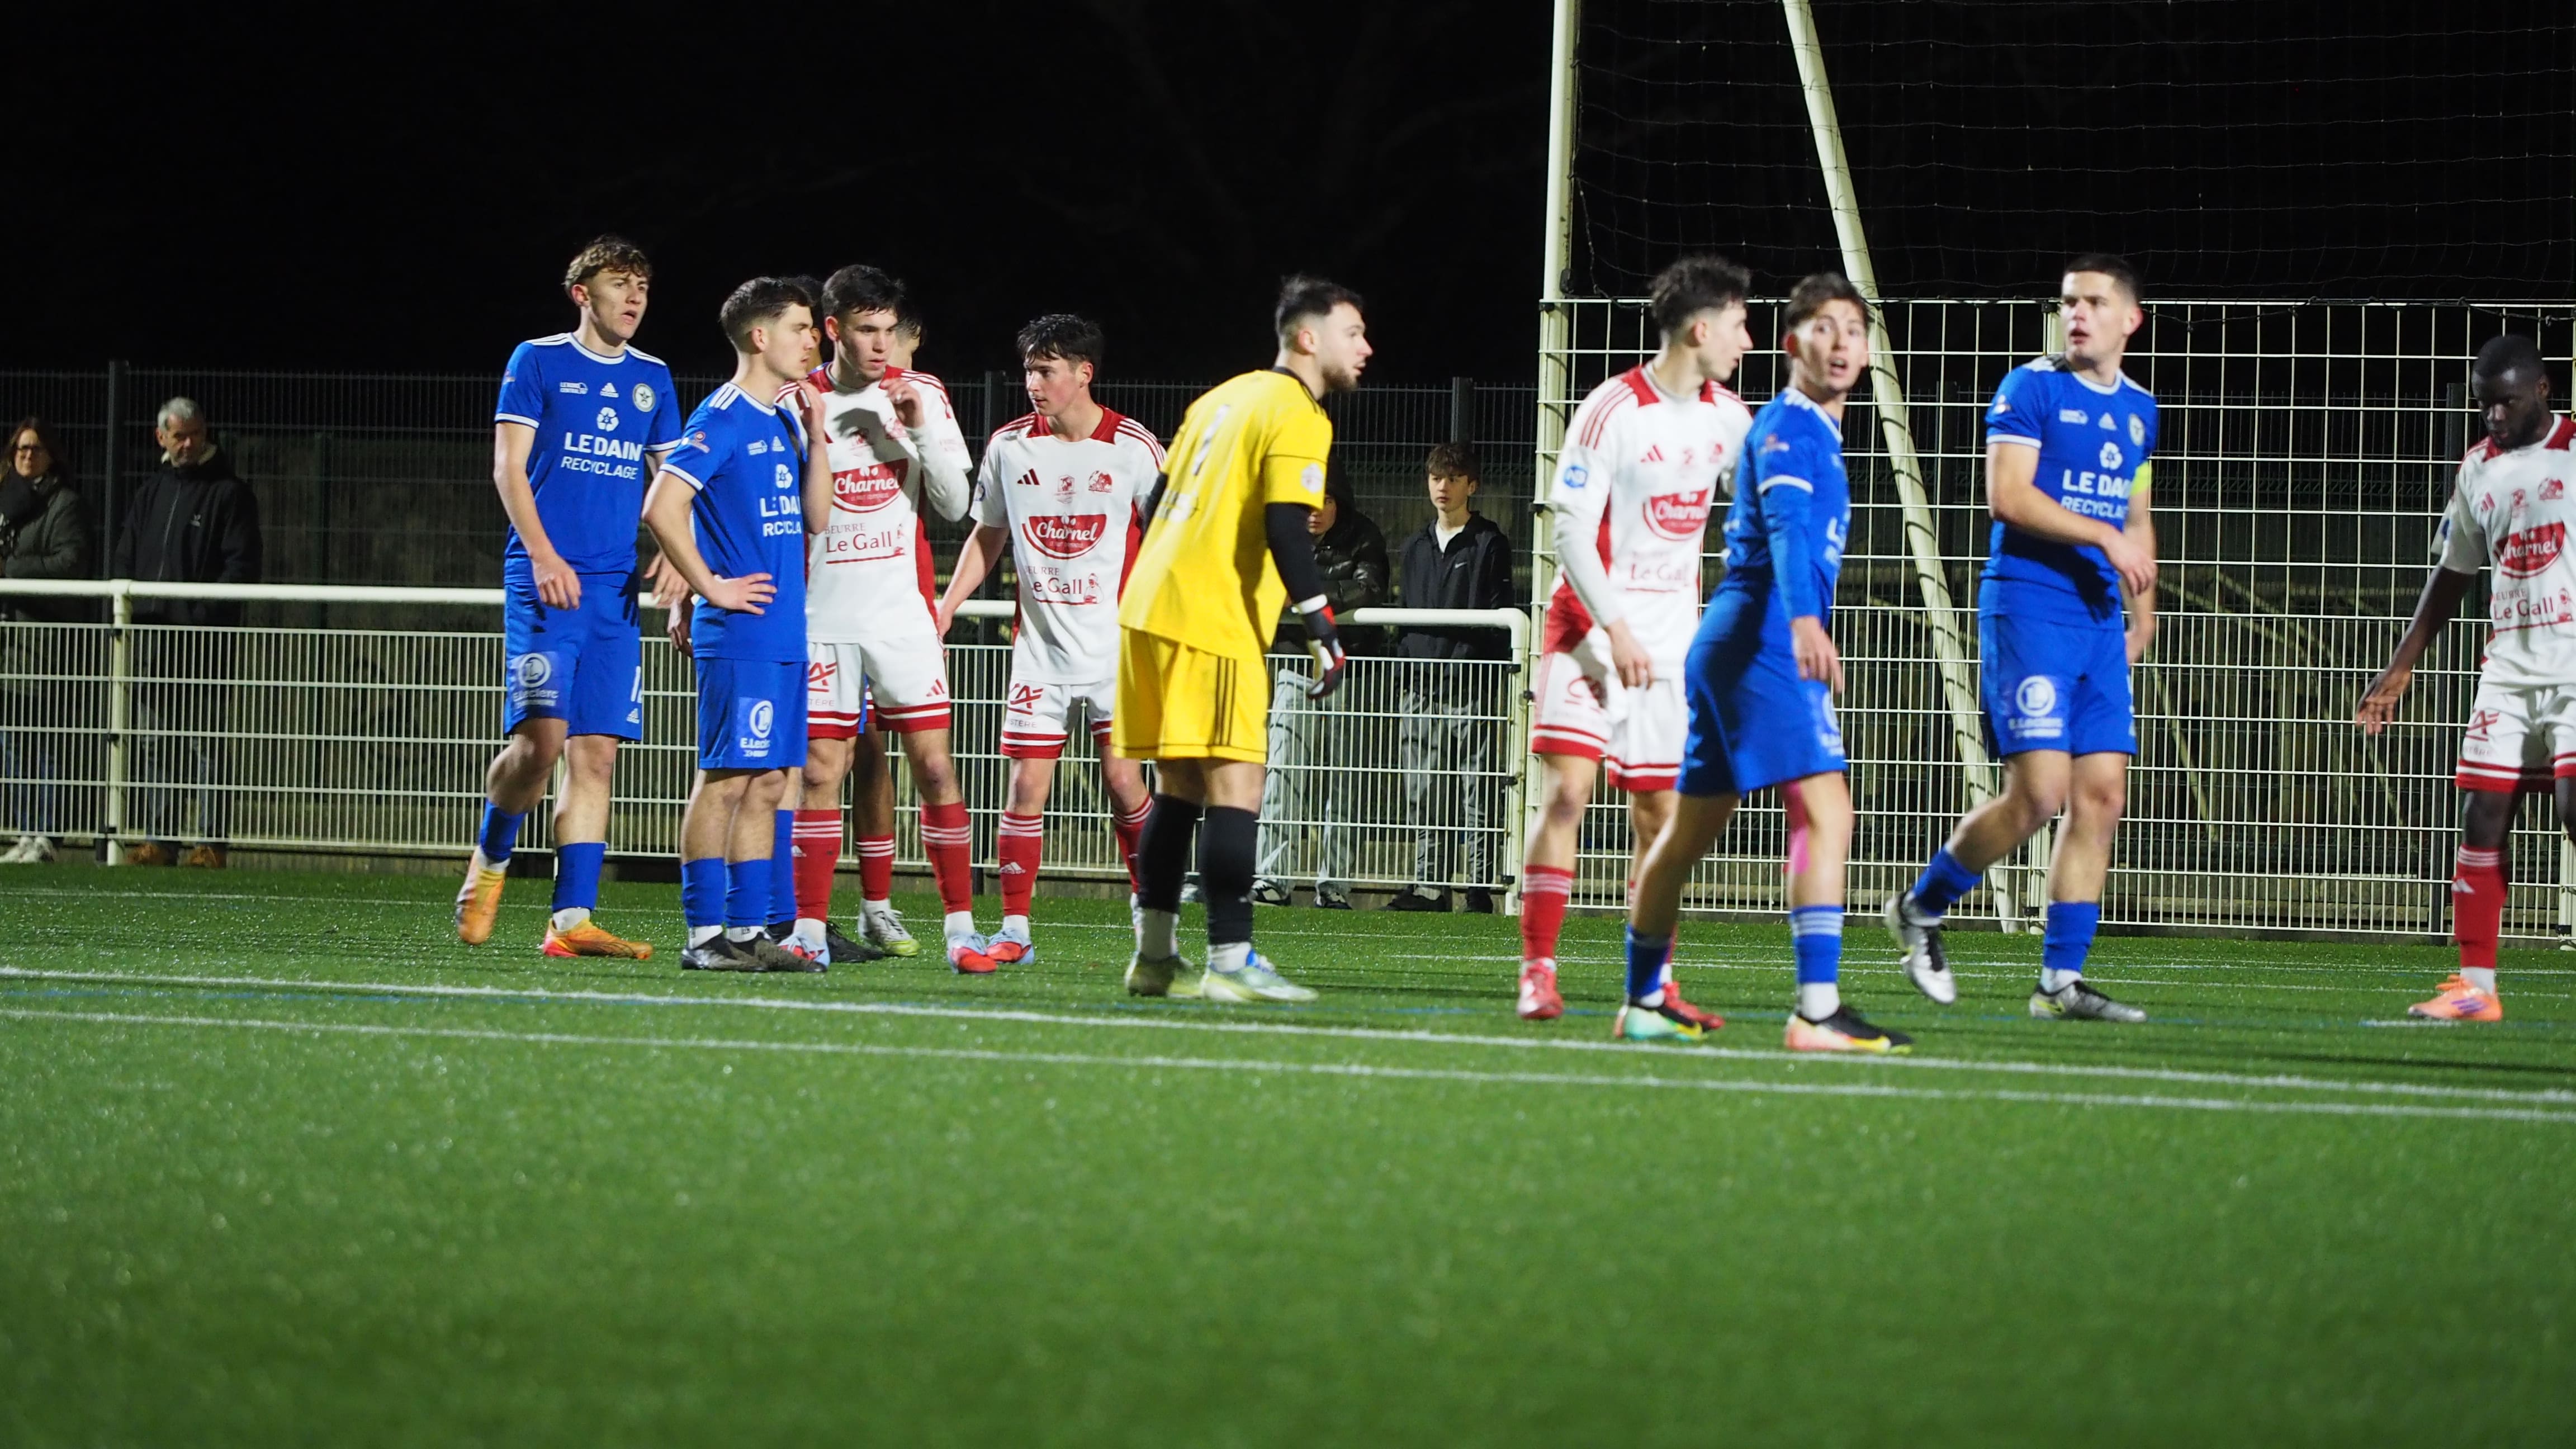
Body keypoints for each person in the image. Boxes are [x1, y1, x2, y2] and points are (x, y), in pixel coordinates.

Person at [1624, 271, 1905, 1050]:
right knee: (1826, 809)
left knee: (1689, 831)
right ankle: (1816, 1011)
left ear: (1869, 351)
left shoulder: (1815, 431)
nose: (1841, 342)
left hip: (1733, 639)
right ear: (1792, 344)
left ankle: (1643, 998)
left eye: (1854, 330)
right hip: (1763, 636)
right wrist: (1807, 623)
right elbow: (1785, 525)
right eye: (1824, 327)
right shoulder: (1789, 426)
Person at [1886, 255, 2159, 1024]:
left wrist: (2144, 612)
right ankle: (1920, 908)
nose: (2077, 314)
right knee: (2039, 795)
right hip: (2031, 607)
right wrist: (2104, 538)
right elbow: (2006, 496)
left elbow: (2136, 514)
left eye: (2094, 302)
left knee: (2102, 796)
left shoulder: (2141, 409)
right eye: (2069, 302)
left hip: (2098, 620)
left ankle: (2059, 983)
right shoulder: (2030, 388)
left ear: (2131, 319)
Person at [1117, 275, 1372, 1004]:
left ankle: (1156, 959)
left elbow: (1157, 502)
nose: (1366, 348)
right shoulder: (1298, 411)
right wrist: (1321, 625)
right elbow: (1286, 524)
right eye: (1353, 333)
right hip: (1210, 613)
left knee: (1180, 788)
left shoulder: (1221, 398)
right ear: (1308, 338)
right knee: (1238, 785)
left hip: (1150, 604)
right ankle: (1231, 960)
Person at [1515, 255, 1753, 1022]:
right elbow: (1569, 534)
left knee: (1660, 819)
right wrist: (1614, 627)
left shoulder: (1731, 419)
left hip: (1670, 648)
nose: (1748, 340)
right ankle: (1538, 971)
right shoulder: (1611, 409)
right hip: (1588, 630)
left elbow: (1761, 512)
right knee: (1568, 795)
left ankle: (1652, 987)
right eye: (1740, 324)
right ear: (1700, 328)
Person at [454, 236, 681, 957]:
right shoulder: (538, 360)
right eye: (620, 283)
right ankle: (490, 859)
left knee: (597, 755)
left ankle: (571, 921)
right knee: (540, 744)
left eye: (643, 285)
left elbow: (673, 482)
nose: (635, 297)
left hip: (614, 592)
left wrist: (680, 559)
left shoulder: (653, 378)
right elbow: (508, 468)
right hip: (545, 580)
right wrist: (544, 554)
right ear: (583, 294)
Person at [2356, 332, 2573, 1023]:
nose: (2494, 417)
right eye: (2484, 406)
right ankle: (2476, 987)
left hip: (2573, 664)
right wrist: (2400, 668)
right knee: (2482, 813)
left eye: (2506, 403)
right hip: (2507, 670)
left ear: (2542, 391)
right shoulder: (2478, 469)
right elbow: (2452, 574)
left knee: (2574, 810)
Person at [935, 314, 1162, 962]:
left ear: (1084, 373)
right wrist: (946, 607)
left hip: (1117, 651)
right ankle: (1015, 930)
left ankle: (1152, 917)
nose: (1033, 383)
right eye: (1029, 371)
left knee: (1124, 783)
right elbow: (988, 535)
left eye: (1046, 371)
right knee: (1025, 789)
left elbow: (1171, 534)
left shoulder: (1135, 447)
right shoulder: (1009, 446)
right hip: (1038, 651)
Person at [794, 266, 989, 971]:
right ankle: (809, 932)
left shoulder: (922, 392)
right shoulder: (796, 399)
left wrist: (917, 431)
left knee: (935, 768)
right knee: (821, 773)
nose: (881, 345)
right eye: (865, 331)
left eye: (888, 330)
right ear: (833, 330)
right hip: (822, 618)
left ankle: (961, 930)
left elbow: (954, 504)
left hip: (902, 617)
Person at [641, 277, 829, 973]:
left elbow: (817, 518)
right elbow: (662, 507)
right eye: (800, 327)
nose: (812, 339)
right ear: (760, 336)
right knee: (726, 779)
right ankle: (703, 936)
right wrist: (708, 587)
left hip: (783, 632)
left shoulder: (783, 420)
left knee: (771, 781)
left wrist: (817, 434)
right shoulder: (721, 416)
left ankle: (749, 932)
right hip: (741, 632)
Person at [110, 396, 261, 868]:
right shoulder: (150, 493)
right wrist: (129, 612)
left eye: (195, 434)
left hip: (203, 640)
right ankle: (161, 840)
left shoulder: (230, 494)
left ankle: (211, 844)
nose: (189, 444)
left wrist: (200, 615)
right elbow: (125, 556)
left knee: (205, 741)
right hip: (153, 638)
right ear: (162, 437)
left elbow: (242, 566)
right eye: (180, 436)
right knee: (157, 741)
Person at [1252, 461, 1388, 908]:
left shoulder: (1364, 535)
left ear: (1339, 502)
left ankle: (1335, 887)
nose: (1314, 510)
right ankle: (1272, 878)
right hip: (1294, 664)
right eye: (1307, 500)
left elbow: (1370, 589)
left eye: (1325, 500)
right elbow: (1264, 585)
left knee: (1345, 777)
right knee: (1282, 771)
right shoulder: (1281, 534)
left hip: (1349, 668)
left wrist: (1306, 596)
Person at [1386, 441, 1515, 912]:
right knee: (1424, 787)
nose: (1443, 487)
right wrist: (1408, 665)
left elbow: (1499, 613)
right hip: (1420, 684)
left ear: (1472, 486)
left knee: (1476, 785)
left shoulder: (1488, 543)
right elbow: (1405, 615)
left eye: (1454, 479)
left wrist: (1472, 662)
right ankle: (1429, 886)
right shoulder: (1415, 546)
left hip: (1470, 684)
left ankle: (1478, 888)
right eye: (1437, 478)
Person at [1, 417, 93, 864]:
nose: (26, 455)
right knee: (13, 741)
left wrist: (11, 571)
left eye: (35, 448)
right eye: (20, 448)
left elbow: (70, 562)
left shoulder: (64, 504)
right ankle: (24, 831)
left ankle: (47, 834)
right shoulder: (6, 502)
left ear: (51, 455)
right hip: (9, 642)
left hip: (45, 642)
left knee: (48, 741)